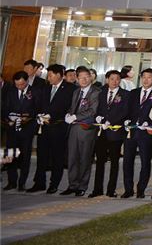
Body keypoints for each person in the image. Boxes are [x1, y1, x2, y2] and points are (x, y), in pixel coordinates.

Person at [27, 64, 74, 193]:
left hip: (59, 128)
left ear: (59, 75)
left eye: (51, 75)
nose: (48, 78)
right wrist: (40, 114)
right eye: (48, 75)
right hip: (44, 127)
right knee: (41, 156)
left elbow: (69, 107)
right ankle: (39, 182)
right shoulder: (46, 87)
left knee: (57, 157)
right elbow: (40, 104)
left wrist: (52, 115)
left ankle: (54, 184)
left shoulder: (70, 89)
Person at [123, 67, 152, 198]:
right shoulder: (133, 93)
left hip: (146, 133)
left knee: (145, 161)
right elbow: (127, 109)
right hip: (131, 131)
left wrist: (150, 123)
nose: (146, 80)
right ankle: (128, 189)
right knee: (127, 161)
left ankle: (141, 189)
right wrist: (127, 120)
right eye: (144, 77)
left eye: (149, 77)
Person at [62, 66, 99, 196]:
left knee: (85, 158)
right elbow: (73, 107)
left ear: (91, 78)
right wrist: (68, 114)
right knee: (72, 157)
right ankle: (72, 184)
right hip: (73, 128)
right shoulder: (76, 91)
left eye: (86, 77)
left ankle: (82, 186)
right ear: (77, 79)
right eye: (81, 78)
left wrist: (75, 117)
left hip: (86, 129)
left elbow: (92, 110)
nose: (84, 80)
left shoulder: (95, 92)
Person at [91, 70, 129, 197]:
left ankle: (111, 190)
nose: (114, 81)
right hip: (101, 132)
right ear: (107, 79)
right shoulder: (100, 92)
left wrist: (111, 121)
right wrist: (98, 117)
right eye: (112, 79)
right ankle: (97, 189)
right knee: (100, 161)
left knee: (114, 162)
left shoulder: (125, 94)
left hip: (115, 132)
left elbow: (124, 112)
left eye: (117, 79)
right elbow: (96, 108)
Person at [2, 71, 38, 190]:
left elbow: (37, 109)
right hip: (12, 128)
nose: (19, 87)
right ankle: (11, 181)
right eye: (17, 84)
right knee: (10, 155)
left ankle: (22, 183)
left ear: (27, 81)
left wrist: (28, 117)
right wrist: (8, 119)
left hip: (26, 129)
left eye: (22, 84)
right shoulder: (10, 91)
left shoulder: (35, 92)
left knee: (25, 157)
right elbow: (4, 108)